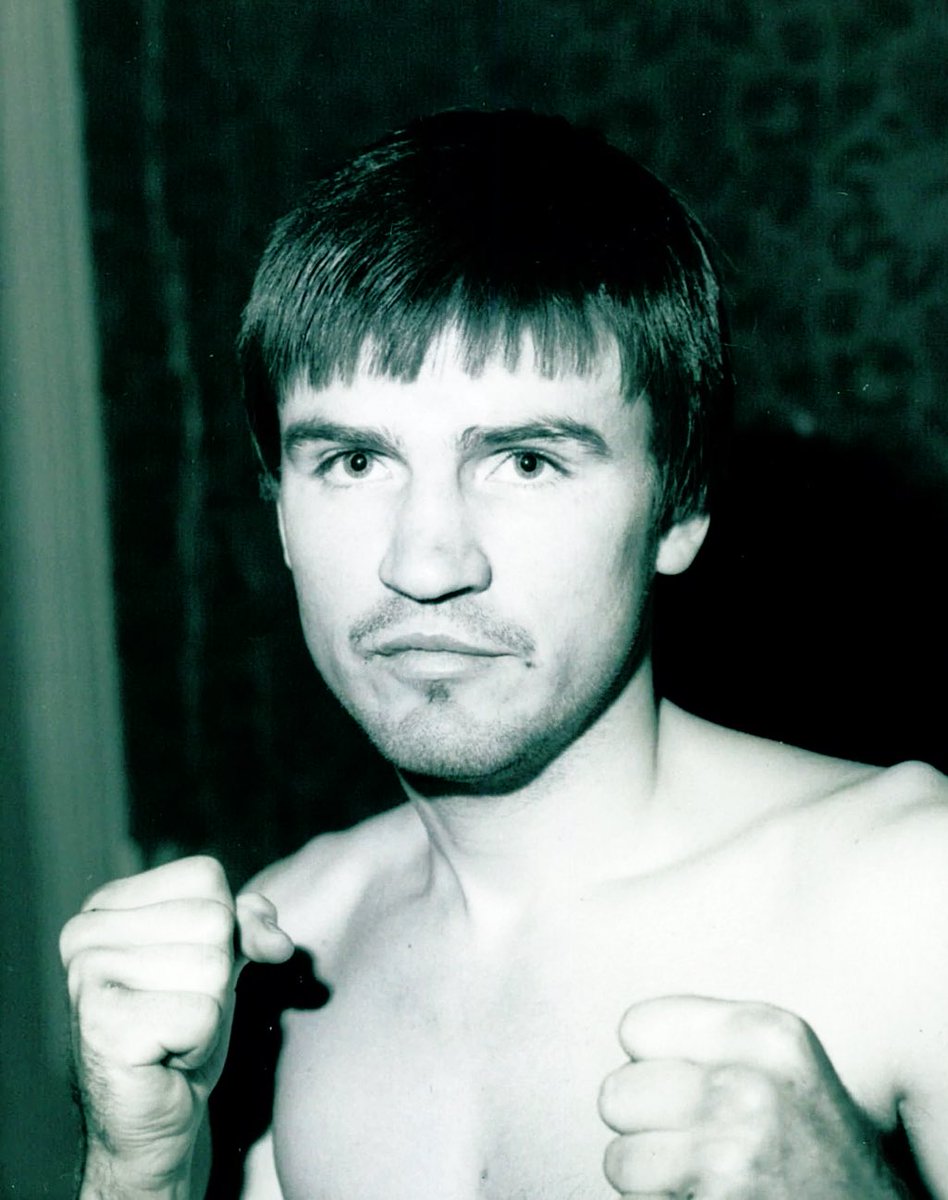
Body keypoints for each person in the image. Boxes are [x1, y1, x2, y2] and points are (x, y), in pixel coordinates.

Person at [60, 109, 948, 1200]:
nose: (425, 564)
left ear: (679, 511)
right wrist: (135, 1173)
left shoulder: (917, 895)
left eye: (525, 461)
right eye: (353, 462)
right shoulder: (289, 945)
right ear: (280, 510)